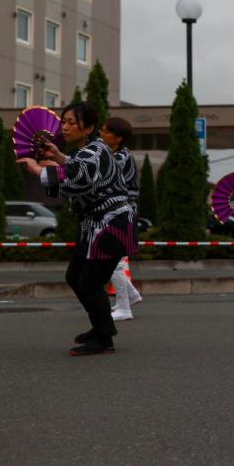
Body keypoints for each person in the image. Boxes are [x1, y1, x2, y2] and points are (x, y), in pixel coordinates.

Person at [17, 102, 138, 356]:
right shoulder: (91, 150)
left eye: (72, 122)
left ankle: (104, 338)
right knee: (75, 276)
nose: (65, 127)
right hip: (96, 225)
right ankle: (102, 328)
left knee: (90, 283)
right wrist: (58, 156)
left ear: (89, 127)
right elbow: (76, 167)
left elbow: (75, 179)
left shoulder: (94, 151)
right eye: (64, 122)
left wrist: (36, 168)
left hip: (111, 225)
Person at [100, 117, 143, 322]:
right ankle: (131, 296)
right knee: (113, 259)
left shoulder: (119, 157)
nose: (102, 134)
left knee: (113, 261)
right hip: (119, 212)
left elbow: (104, 180)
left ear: (118, 138)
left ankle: (125, 307)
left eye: (106, 131)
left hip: (120, 213)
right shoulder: (115, 154)